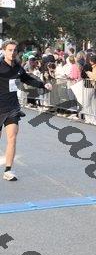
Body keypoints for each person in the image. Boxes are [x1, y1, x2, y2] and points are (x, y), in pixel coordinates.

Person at [0, 39, 52, 181]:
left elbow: (27, 79)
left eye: (15, 50)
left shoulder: (18, 67)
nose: (12, 53)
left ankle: (8, 170)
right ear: (4, 51)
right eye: (10, 50)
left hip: (12, 107)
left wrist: (43, 85)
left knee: (12, 138)